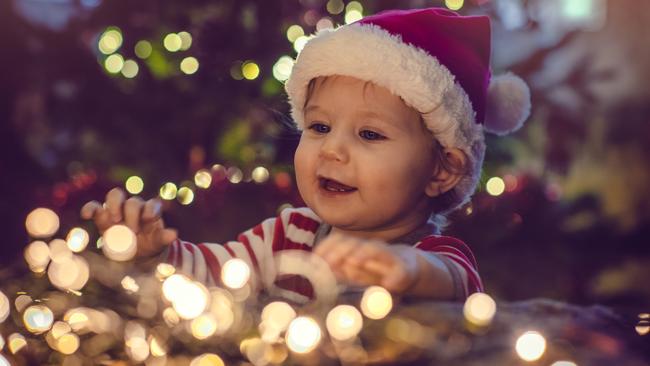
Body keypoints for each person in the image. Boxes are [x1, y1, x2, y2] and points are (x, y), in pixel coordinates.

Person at [81, 7, 531, 304]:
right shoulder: (288, 234)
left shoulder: (437, 254)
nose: (332, 149)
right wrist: (153, 255)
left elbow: (452, 281)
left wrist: (409, 269)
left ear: (442, 170)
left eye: (370, 134)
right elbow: (213, 276)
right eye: (318, 127)